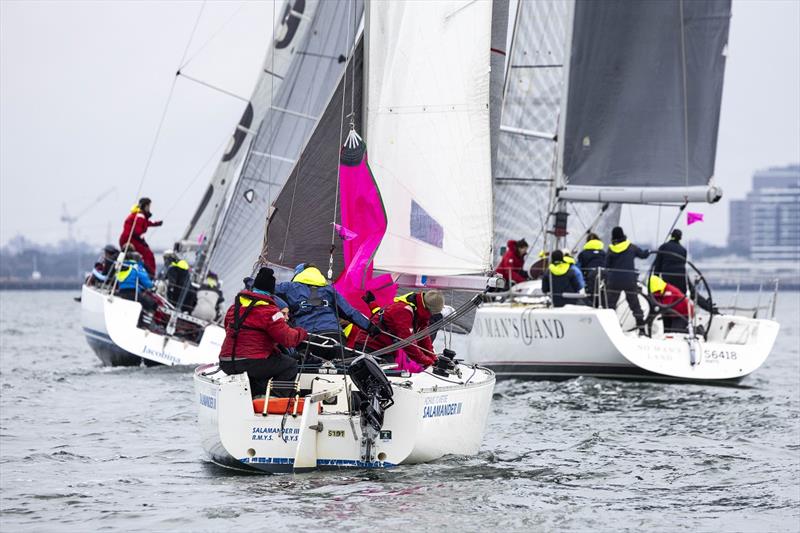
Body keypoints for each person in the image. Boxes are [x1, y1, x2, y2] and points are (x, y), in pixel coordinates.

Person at [218, 267, 308, 398]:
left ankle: (254, 395)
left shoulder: (234, 308)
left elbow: (228, 329)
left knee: (266, 364)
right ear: (271, 292)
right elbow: (288, 339)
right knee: (290, 365)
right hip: (250, 363)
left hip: (226, 362)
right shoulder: (270, 311)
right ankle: (275, 399)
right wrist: (302, 332)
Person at [275, 263, 377, 359]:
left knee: (305, 367)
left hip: (309, 338)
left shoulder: (288, 288)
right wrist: (371, 328)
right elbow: (351, 312)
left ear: (297, 275)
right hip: (336, 336)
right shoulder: (329, 290)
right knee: (340, 371)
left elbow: (264, 291)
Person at [354, 290, 444, 370]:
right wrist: (427, 361)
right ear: (427, 309)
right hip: (370, 348)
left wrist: (433, 358)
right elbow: (408, 342)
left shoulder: (419, 312)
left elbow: (423, 336)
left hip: (385, 350)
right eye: (432, 313)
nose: (431, 316)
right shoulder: (403, 311)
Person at [605, 226, 650, 332]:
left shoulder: (611, 250)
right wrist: (648, 251)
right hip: (629, 280)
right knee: (635, 304)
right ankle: (642, 328)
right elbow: (643, 255)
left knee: (611, 305)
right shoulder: (631, 247)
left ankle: (610, 328)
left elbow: (606, 265)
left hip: (614, 281)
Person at [119, 197, 162, 276]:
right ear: (145, 206)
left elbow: (146, 223)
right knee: (148, 255)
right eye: (149, 206)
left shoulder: (139, 215)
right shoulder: (140, 216)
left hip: (127, 239)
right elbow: (137, 231)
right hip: (130, 240)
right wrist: (142, 241)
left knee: (130, 257)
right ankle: (150, 275)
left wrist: (157, 223)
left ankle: (134, 274)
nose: (149, 209)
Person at [577, 233, 606, 306]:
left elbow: (579, 268)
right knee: (603, 294)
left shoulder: (583, 254)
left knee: (591, 296)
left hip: (590, 276)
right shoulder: (604, 253)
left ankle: (592, 306)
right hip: (604, 275)